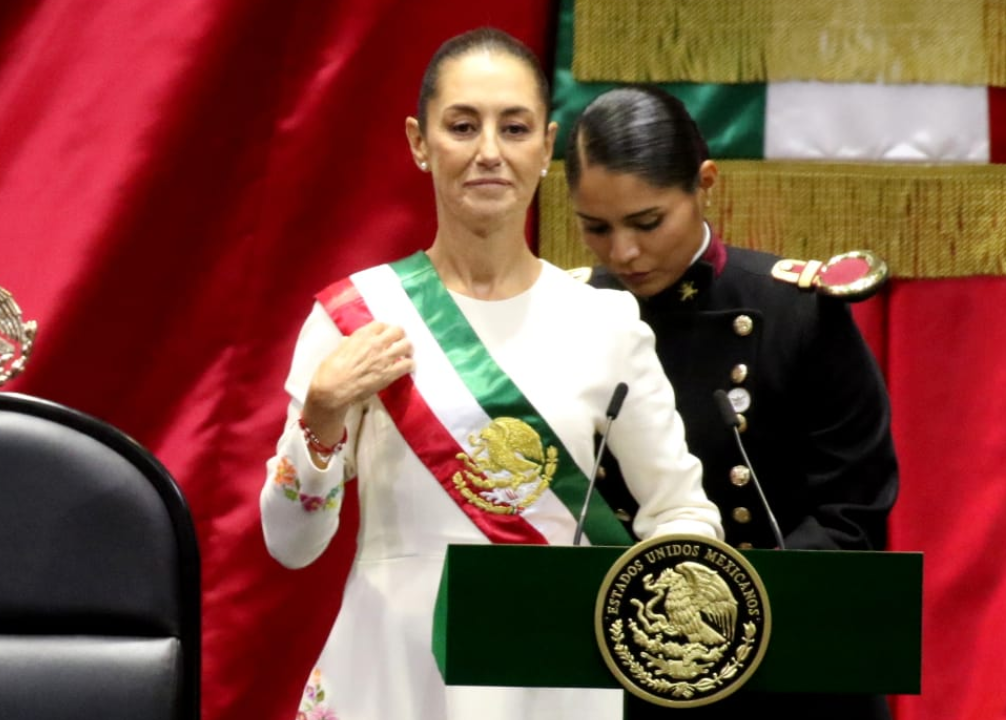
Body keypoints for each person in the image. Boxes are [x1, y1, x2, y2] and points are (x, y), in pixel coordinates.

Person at [260, 30, 723, 720]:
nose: (488, 152)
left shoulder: (608, 325)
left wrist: (653, 614)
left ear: (547, 146)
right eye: (462, 126)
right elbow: (290, 545)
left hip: (556, 675)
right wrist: (322, 414)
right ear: (420, 142)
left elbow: (683, 513)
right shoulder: (356, 317)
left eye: (514, 128)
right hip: (394, 672)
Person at [564, 85, 899, 718]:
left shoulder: (798, 312)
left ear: (705, 183)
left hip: (784, 661)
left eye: (647, 221)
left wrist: (730, 613)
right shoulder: (564, 317)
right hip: (616, 664)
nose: (623, 253)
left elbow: (852, 511)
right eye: (595, 228)